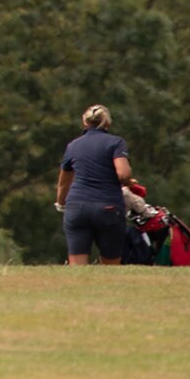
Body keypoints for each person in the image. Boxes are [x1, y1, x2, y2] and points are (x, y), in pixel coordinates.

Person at [55, 104, 134, 266]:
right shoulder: (116, 143)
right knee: (111, 264)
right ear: (107, 124)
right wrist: (128, 181)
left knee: (77, 266)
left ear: (84, 123)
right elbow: (123, 173)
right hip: (108, 207)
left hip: (77, 207)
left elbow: (64, 182)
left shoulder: (73, 145)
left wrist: (61, 203)